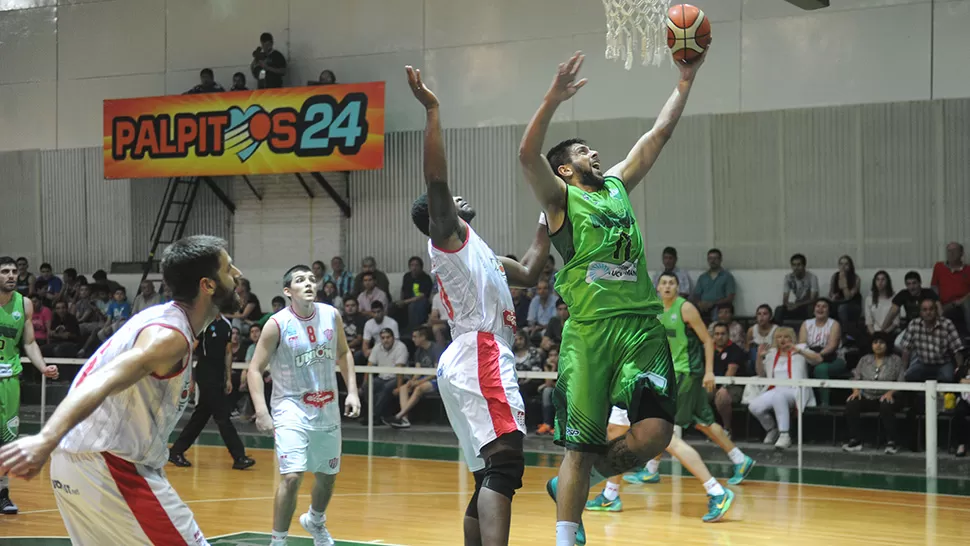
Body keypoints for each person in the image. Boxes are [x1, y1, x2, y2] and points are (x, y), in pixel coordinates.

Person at [518, 50, 705, 546]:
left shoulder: (617, 186)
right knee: (580, 444)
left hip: (642, 327)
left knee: (655, 435)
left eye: (592, 149)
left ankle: (576, 486)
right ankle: (566, 532)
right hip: (592, 332)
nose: (593, 154)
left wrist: (685, 80)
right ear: (563, 170)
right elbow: (525, 155)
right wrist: (551, 100)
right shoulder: (560, 202)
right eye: (582, 152)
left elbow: (657, 135)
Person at [0, 236, 239, 543]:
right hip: (110, 466)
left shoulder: (164, 320)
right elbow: (105, 378)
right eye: (229, 268)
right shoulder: (169, 335)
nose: (238, 275)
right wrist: (45, 438)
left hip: (85, 460)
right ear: (208, 285)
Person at [406, 65, 551, 546]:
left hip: (469, 358)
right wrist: (432, 109)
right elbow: (435, 175)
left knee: (489, 470)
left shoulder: (479, 248)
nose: (457, 195)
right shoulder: (445, 236)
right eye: (448, 197)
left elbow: (530, 270)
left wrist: (549, 211)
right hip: (480, 351)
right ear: (437, 213)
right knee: (507, 459)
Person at [586, 274, 749, 523]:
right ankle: (611, 494)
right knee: (616, 432)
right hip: (635, 380)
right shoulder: (637, 309)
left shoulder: (643, 308)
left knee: (668, 439)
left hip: (652, 380)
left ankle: (717, 491)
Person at [246, 265, 360, 546]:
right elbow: (254, 369)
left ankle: (315, 521)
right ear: (288, 291)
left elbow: (344, 353)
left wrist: (353, 392)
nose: (308, 283)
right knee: (292, 477)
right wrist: (261, 410)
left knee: (327, 476)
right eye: (300, 280)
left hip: (327, 407)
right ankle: (278, 540)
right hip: (290, 408)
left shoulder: (331, 316)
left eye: (311, 279)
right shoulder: (276, 324)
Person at [0, 256, 59, 514]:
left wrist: (42, 366)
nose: (11, 275)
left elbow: (30, 342)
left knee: (6, 439)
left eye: (14, 271)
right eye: (5, 272)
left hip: (9, 379)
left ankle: (3, 494)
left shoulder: (24, 304)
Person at [168, 314, 255, 470]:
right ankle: (239, 456)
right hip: (205, 374)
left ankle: (176, 451)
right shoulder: (203, 323)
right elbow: (190, 349)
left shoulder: (226, 324)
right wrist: (189, 376)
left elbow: (228, 353)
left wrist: (228, 378)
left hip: (218, 375)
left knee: (201, 416)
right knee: (222, 417)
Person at [750, 327, 820, 448]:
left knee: (779, 397)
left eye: (786, 337)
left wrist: (799, 351)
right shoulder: (771, 353)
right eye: (779, 337)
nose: (782, 340)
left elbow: (818, 359)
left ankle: (784, 435)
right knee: (754, 406)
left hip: (795, 389)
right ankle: (772, 429)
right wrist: (759, 357)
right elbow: (761, 374)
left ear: (791, 338)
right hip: (775, 388)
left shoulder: (800, 349)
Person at [842, 332, 905, 454]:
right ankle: (855, 440)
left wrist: (891, 393)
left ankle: (892, 442)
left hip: (889, 397)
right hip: (868, 395)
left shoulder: (895, 360)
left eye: (881, 342)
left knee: (886, 405)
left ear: (887, 345)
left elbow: (901, 380)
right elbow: (856, 378)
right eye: (875, 342)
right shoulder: (864, 359)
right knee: (852, 403)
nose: (878, 345)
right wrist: (856, 391)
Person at [746, 304, 777, 376]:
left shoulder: (776, 330)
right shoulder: (751, 330)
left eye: (765, 314)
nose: (761, 316)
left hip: (770, 355)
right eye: (759, 314)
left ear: (770, 317)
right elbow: (747, 348)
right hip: (755, 357)